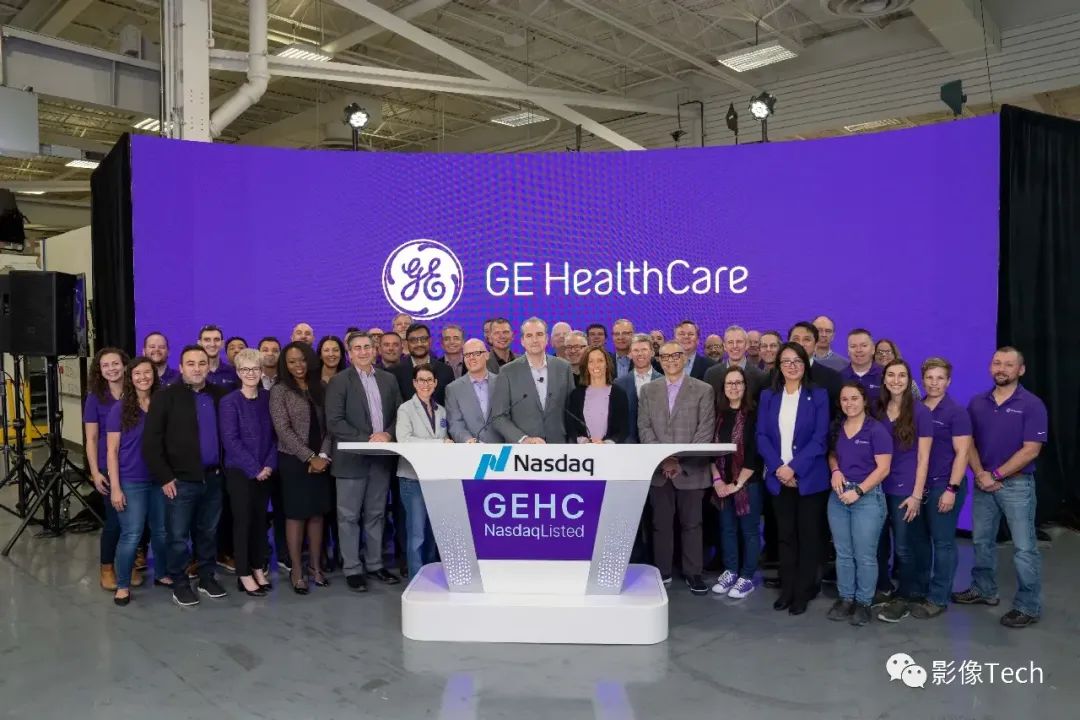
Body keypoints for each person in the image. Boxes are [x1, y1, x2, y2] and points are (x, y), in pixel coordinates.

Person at [953, 347, 1048, 628]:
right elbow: (968, 442)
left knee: (1024, 548)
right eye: (997, 363)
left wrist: (995, 474)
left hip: (1017, 486)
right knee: (982, 542)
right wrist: (981, 474)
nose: (1001, 369)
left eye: (1008, 364)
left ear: (1021, 370)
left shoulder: (1032, 405)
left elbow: (1031, 450)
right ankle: (984, 590)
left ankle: (1028, 606)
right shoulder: (977, 403)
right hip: (984, 484)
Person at [143, 345, 229, 608]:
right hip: (180, 482)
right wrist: (165, 477)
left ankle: (206, 577)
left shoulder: (220, 395)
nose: (197, 368)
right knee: (178, 537)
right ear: (180, 368)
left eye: (202, 363)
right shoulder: (165, 397)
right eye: (190, 363)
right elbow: (151, 443)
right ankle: (179, 582)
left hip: (214, 479)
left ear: (209, 366)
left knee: (208, 533)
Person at [325, 331, 403, 591]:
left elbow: (399, 414)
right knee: (348, 517)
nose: (363, 351)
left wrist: (387, 434)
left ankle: (375, 564)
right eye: (357, 348)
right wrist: (367, 439)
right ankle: (352, 569)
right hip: (351, 460)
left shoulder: (388, 379)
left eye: (367, 346)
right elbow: (334, 421)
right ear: (349, 354)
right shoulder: (339, 381)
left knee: (376, 514)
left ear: (375, 350)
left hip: (381, 459)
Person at [756, 342, 830, 616]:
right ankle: (787, 589)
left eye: (797, 360)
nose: (792, 366)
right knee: (785, 537)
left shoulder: (818, 395)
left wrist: (794, 469)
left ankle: (803, 591)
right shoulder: (768, 396)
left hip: (809, 479)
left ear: (805, 364)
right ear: (778, 365)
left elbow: (820, 438)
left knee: (808, 537)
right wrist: (779, 468)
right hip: (779, 479)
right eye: (786, 361)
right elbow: (762, 436)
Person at [638, 341, 715, 594]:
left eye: (676, 355)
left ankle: (694, 573)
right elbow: (644, 428)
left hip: (691, 470)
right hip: (660, 471)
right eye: (665, 356)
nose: (670, 360)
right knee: (660, 525)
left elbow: (705, 431)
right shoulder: (648, 390)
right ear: (659, 360)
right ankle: (663, 572)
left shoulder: (703, 389)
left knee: (692, 524)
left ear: (684, 358)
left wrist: (679, 462)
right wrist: (664, 460)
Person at [269, 342, 333, 594]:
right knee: (296, 514)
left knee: (317, 514)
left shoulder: (321, 387)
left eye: (302, 359)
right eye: (292, 361)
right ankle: (297, 569)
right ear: (285, 364)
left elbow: (329, 426)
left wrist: (323, 456)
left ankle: (316, 567)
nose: (298, 365)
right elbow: (282, 430)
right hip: (294, 461)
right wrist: (309, 457)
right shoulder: (280, 390)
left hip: (322, 460)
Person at [826, 382, 891, 626]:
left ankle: (863, 602)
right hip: (839, 497)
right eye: (844, 399)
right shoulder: (837, 427)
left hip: (867, 498)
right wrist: (835, 470)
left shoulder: (876, 430)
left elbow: (883, 469)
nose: (849, 403)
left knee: (864, 555)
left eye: (854, 398)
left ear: (864, 401)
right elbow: (832, 454)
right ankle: (846, 598)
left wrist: (859, 491)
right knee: (843, 553)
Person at [875, 359, 933, 623]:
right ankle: (884, 588)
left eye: (902, 375)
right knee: (879, 544)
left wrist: (917, 494)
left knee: (904, 547)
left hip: (905, 490)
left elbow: (924, 457)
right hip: (878, 487)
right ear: (884, 379)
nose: (896, 380)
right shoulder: (877, 409)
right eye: (891, 375)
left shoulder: (920, 412)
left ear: (909, 381)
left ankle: (907, 596)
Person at [914, 357, 972, 619]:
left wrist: (952, 488)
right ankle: (921, 589)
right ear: (923, 380)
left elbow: (963, 453)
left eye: (940, 378)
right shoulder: (916, 408)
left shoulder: (956, 412)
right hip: (920, 486)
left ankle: (938, 597)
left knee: (943, 543)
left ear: (948, 381)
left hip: (943, 486)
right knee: (920, 542)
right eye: (929, 378)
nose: (934, 383)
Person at [105, 356, 165, 605]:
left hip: (159, 479)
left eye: (147, 373)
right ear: (130, 378)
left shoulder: (162, 404)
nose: (143, 377)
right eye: (137, 373)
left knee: (161, 531)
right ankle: (122, 585)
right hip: (131, 480)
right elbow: (112, 452)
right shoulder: (119, 409)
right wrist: (115, 488)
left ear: (154, 375)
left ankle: (162, 574)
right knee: (132, 534)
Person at [219, 349, 276, 597]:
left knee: (260, 522)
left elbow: (275, 436)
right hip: (240, 472)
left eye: (255, 369)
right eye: (245, 369)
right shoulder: (229, 401)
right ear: (238, 372)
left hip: (266, 470)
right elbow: (230, 440)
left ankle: (257, 567)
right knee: (243, 523)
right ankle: (243, 573)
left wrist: (269, 465)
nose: (250, 373)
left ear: (262, 371)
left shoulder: (268, 398)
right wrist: (254, 469)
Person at [709, 366, 762, 600]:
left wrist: (737, 484)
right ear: (723, 387)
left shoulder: (754, 414)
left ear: (745, 386)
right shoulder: (717, 415)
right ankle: (730, 571)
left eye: (738, 382)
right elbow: (710, 451)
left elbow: (754, 455)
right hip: (722, 483)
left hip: (747, 484)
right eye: (729, 383)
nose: (734, 387)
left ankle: (747, 577)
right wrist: (718, 480)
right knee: (727, 529)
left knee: (749, 531)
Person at [85, 347, 131, 591]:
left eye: (115, 364)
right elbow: (91, 438)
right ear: (99, 370)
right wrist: (95, 472)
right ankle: (106, 567)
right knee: (114, 521)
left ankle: (128, 565)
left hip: (135, 465)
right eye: (106, 365)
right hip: (108, 466)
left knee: (134, 521)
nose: (111, 369)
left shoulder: (135, 392)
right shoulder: (95, 398)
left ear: (125, 366)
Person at [395, 365, 448, 578]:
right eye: (421, 380)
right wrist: (440, 443)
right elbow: (404, 440)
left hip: (435, 478)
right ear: (414, 383)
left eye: (429, 380)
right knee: (416, 533)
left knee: (433, 533)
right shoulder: (405, 409)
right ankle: (416, 579)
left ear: (435, 383)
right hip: (412, 478)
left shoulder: (441, 410)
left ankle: (430, 576)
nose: (425, 384)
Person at [490, 317, 574, 444]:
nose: (535, 340)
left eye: (539, 334)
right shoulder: (507, 372)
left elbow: (572, 412)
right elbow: (498, 417)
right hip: (523, 450)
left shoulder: (563, 367)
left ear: (546, 338)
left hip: (559, 447)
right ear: (522, 341)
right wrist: (523, 439)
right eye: (529, 336)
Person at [566, 347, 629, 444]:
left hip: (611, 450)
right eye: (591, 361)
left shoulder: (619, 394)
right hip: (583, 450)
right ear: (586, 366)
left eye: (600, 361)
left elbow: (623, 428)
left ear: (607, 364)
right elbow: (571, 426)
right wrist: (584, 441)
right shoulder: (576, 395)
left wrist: (606, 443)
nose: (596, 365)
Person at [446, 339, 499, 443]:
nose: (471, 358)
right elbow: (455, 423)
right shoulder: (453, 389)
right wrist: (467, 440)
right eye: (467, 355)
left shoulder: (501, 382)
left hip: (502, 447)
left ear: (487, 355)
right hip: (471, 448)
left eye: (476, 353)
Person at [392, 323, 455, 405]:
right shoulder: (395, 373)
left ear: (430, 341)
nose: (419, 344)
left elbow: (451, 404)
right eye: (413, 340)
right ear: (407, 343)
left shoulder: (446, 371)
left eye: (423, 339)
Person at [788, 322, 842, 416]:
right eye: (796, 339)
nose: (801, 344)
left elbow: (836, 415)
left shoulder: (832, 378)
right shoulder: (774, 375)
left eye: (807, 339)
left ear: (816, 345)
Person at [614, 334, 661, 444]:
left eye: (644, 349)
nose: (640, 354)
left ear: (652, 353)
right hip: (627, 446)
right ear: (630, 354)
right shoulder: (619, 384)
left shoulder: (664, 382)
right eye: (636, 350)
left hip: (657, 444)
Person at [705, 325, 767, 400]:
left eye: (739, 342)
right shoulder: (711, 374)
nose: (735, 346)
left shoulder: (760, 377)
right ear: (724, 346)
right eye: (730, 342)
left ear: (747, 345)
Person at [841, 328, 883, 397]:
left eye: (864, 345)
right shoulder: (839, 378)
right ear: (848, 351)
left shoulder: (884, 375)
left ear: (873, 349)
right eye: (853, 346)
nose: (858, 350)